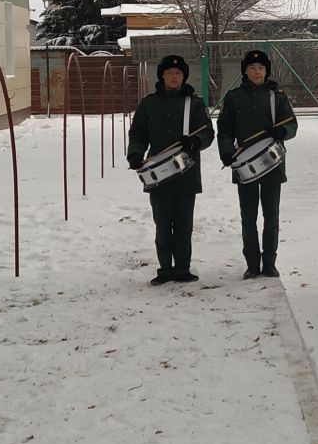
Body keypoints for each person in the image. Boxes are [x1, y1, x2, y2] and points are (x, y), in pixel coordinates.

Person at [127, 54, 214, 284]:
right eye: (169, 73)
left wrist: (196, 142)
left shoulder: (194, 104)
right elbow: (137, 134)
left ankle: (183, 268)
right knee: (163, 225)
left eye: (178, 73)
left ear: (183, 76)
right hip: (159, 176)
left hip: (187, 175)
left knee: (184, 225)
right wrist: (135, 154)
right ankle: (165, 269)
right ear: (162, 76)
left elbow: (207, 132)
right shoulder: (148, 104)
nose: (173, 77)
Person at [217, 48, 298, 278]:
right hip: (245, 167)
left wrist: (282, 130)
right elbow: (224, 130)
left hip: (273, 166)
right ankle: (252, 264)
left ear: (266, 71)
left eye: (261, 68)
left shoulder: (277, 97)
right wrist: (226, 153)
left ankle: (270, 262)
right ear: (245, 70)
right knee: (248, 217)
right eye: (252, 68)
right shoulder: (233, 98)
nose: (256, 72)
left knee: (271, 216)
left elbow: (292, 124)